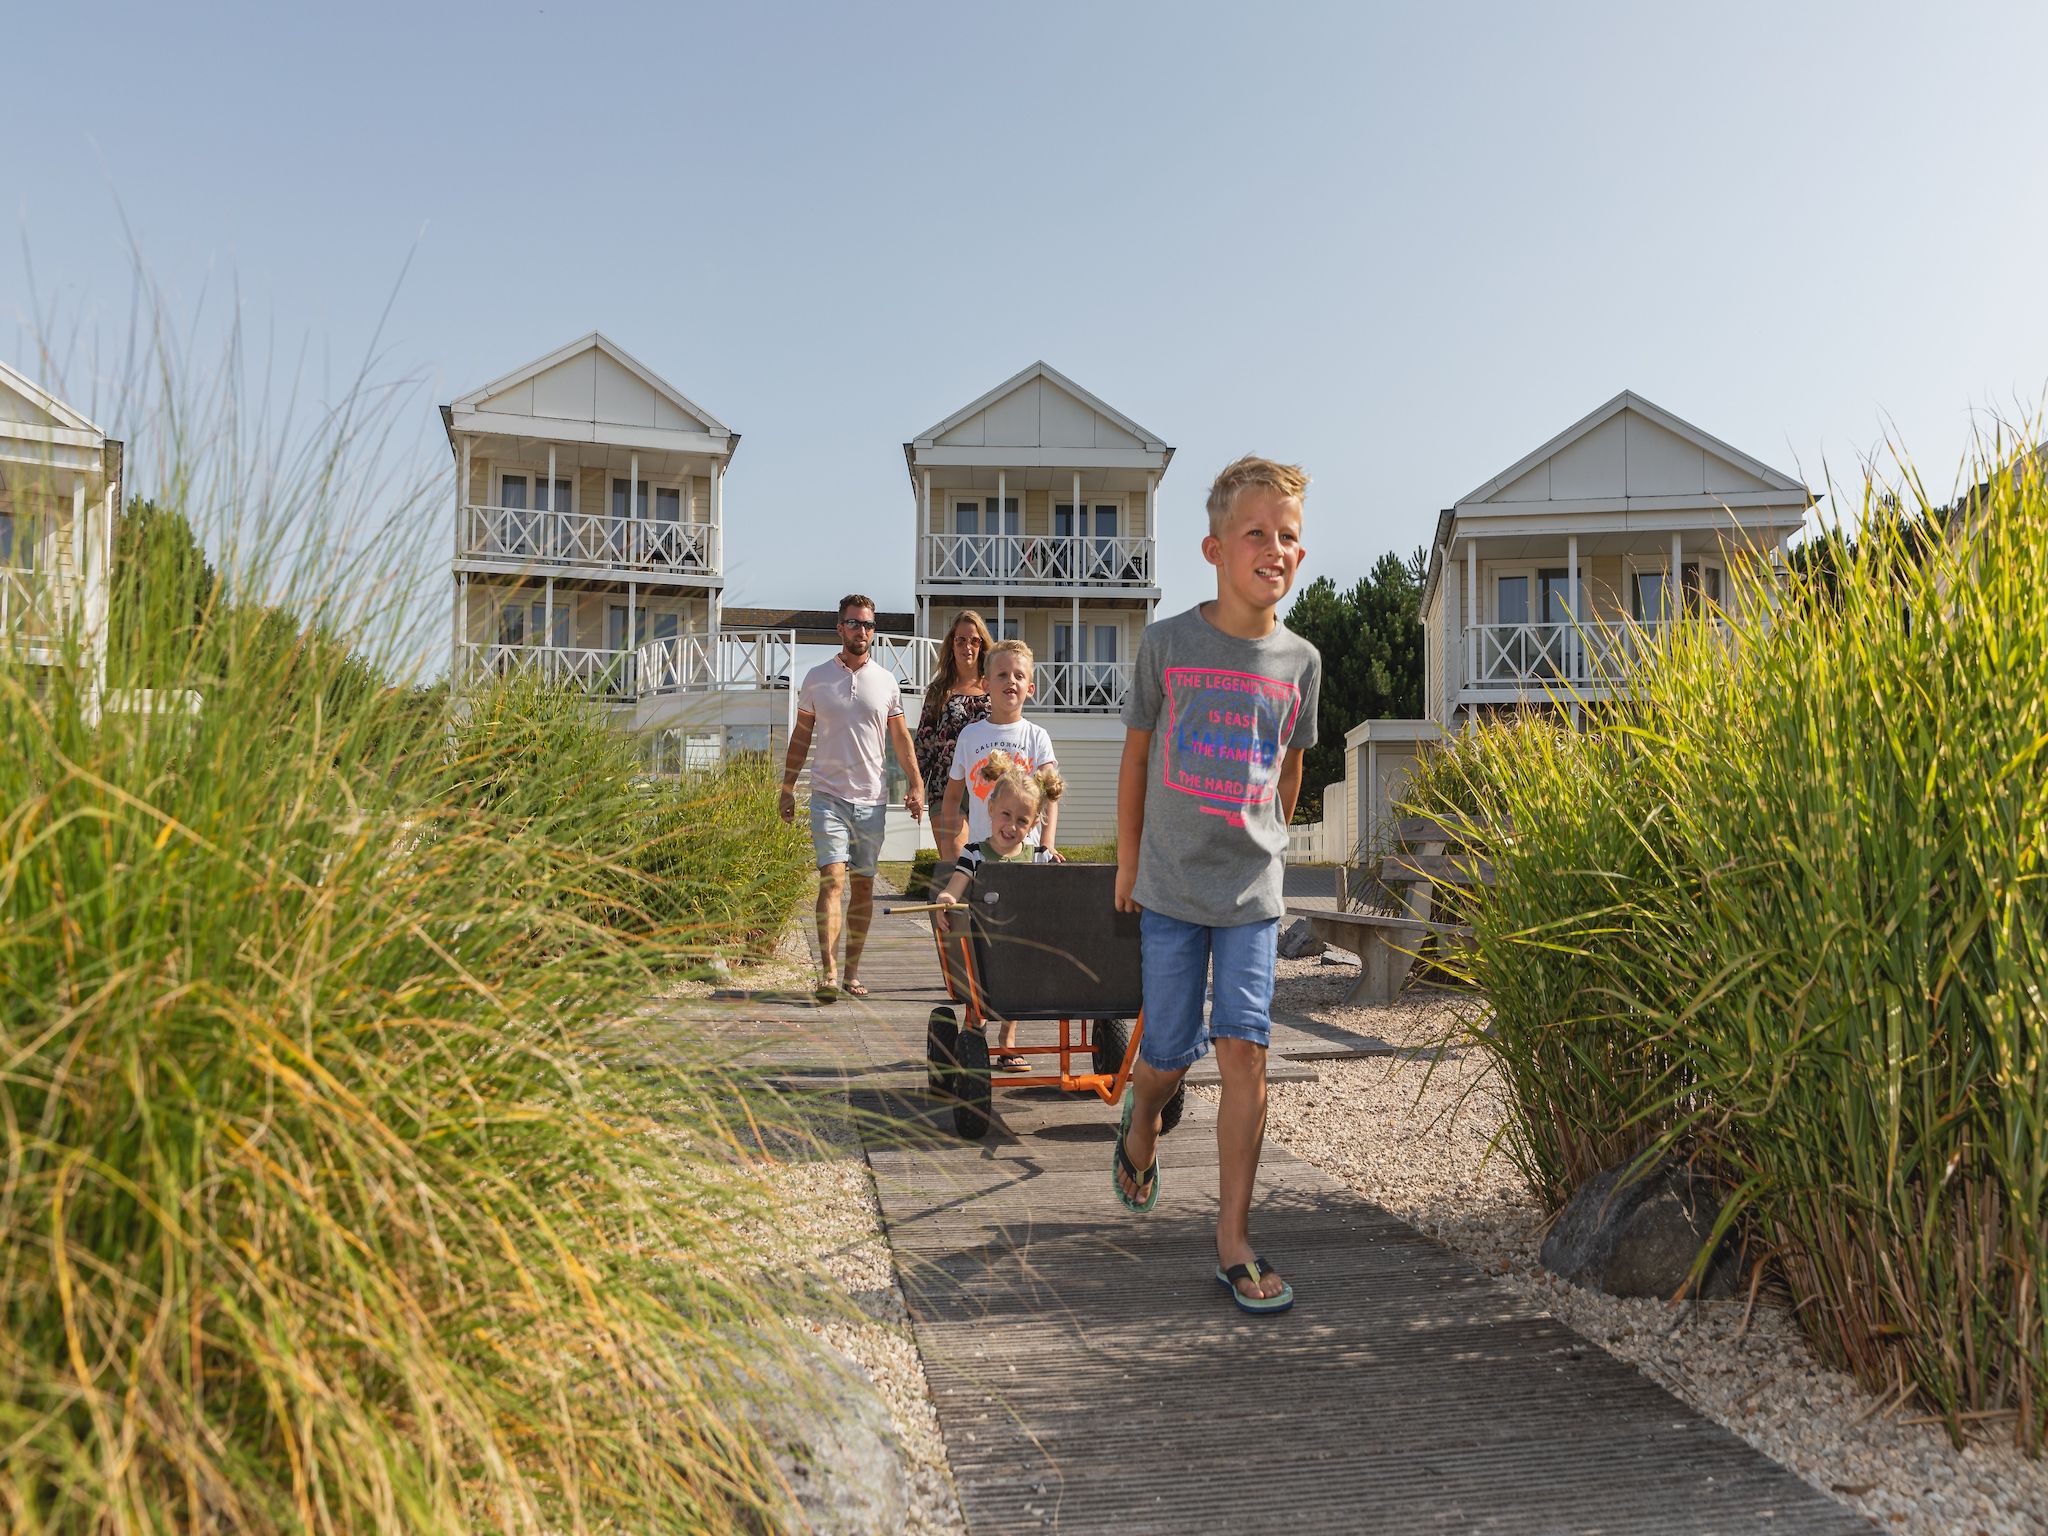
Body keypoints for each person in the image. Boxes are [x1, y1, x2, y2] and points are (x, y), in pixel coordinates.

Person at [1110, 456, 1320, 1316]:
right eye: (1258, 533)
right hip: (1167, 886)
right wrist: (1127, 861)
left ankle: (1233, 1240)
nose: (1276, 548)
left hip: (1251, 897)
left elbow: (1292, 771)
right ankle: (1141, 1121)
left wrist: (1264, 846)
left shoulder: (1300, 661)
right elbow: (1134, 760)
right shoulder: (1167, 645)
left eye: (1290, 537)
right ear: (1214, 548)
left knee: (1244, 1051)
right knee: (1168, 1053)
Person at [779, 594, 925, 1001]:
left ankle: (852, 973)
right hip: (828, 795)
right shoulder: (816, 678)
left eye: (868, 625)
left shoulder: (887, 681)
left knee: (863, 888)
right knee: (833, 880)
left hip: (872, 799)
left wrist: (915, 783)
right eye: (855, 623)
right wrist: (787, 787)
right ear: (839, 628)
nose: (862, 631)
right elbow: (801, 736)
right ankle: (827, 972)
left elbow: (900, 739)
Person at [934, 749, 1066, 1072]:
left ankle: (1008, 1037)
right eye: (1005, 815)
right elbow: (956, 886)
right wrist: (948, 899)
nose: (1011, 826)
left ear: (1034, 823)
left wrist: (1063, 880)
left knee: (1020, 965)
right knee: (983, 967)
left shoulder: (1038, 857)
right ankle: (975, 1021)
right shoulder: (974, 854)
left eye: (1022, 820)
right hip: (983, 943)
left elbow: (1059, 898)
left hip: (1022, 944)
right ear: (991, 809)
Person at [941, 639, 1063, 860]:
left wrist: (1047, 844)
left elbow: (1050, 795)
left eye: (1019, 675)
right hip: (980, 856)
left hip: (1026, 854)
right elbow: (951, 798)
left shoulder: (1038, 737)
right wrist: (949, 847)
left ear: (1030, 688)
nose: (1011, 681)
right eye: (1002, 674)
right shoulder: (969, 736)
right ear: (986, 685)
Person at [913, 609, 994, 861]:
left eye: (974, 640)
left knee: (986, 868)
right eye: (960, 640)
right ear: (952, 644)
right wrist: (916, 788)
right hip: (944, 788)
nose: (967, 646)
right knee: (957, 862)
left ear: (982, 645)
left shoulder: (995, 687)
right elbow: (924, 745)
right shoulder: (939, 691)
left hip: (988, 790)